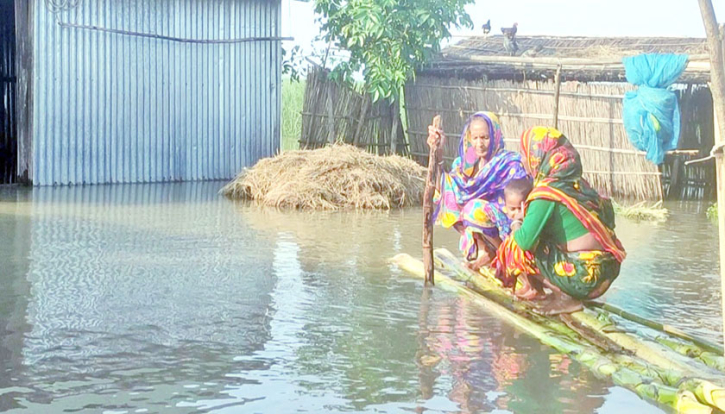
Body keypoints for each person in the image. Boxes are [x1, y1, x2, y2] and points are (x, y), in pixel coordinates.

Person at [496, 126, 626, 315]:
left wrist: (516, 221)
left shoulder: (546, 194)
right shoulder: (577, 183)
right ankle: (551, 291)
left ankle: (564, 296)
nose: (523, 161)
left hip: (584, 278)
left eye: (525, 155)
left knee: (514, 245)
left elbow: (524, 241)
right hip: (608, 269)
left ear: (537, 157)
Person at [427, 112, 528, 270]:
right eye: (475, 138)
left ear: (495, 136)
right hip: (477, 222)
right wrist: (438, 152)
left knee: (472, 209)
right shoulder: (464, 165)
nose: (479, 144)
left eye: (485, 138)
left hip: (503, 224)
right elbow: (444, 187)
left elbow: (521, 196)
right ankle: (483, 250)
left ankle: (502, 252)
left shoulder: (508, 163)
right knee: (449, 196)